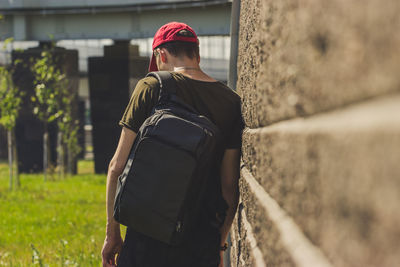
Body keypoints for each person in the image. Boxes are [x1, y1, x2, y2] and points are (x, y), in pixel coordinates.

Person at [101, 22, 243, 267]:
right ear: (197, 55)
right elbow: (229, 186)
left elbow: (117, 166)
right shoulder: (231, 102)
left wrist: (112, 233)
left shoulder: (152, 86)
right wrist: (218, 243)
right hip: (201, 236)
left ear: (161, 55)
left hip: (147, 232)